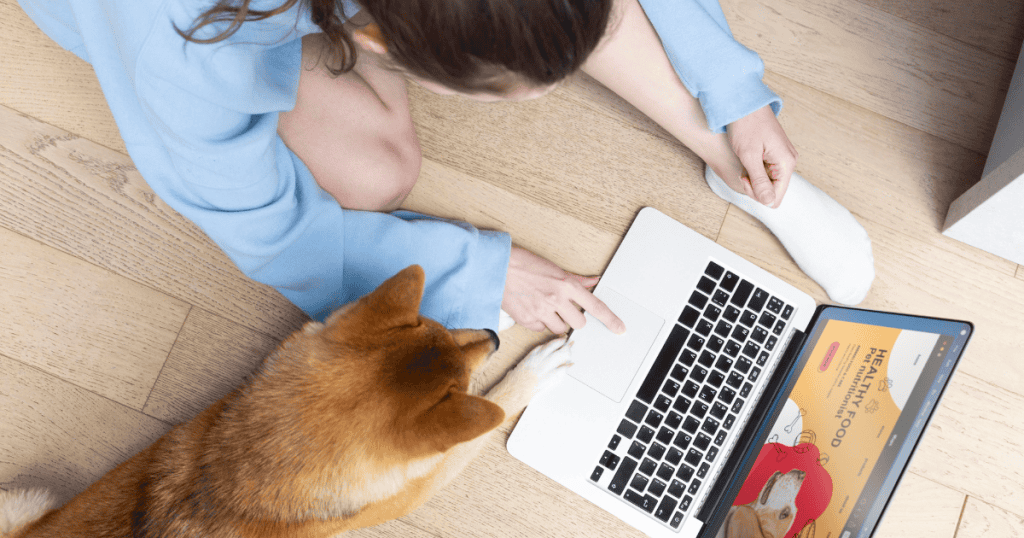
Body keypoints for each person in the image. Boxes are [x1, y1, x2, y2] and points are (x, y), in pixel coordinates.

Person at [17, 0, 873, 337]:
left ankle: (734, 161)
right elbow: (266, 227)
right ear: (374, 38)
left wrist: (733, 91)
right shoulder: (181, 40)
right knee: (375, 172)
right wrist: (483, 272)